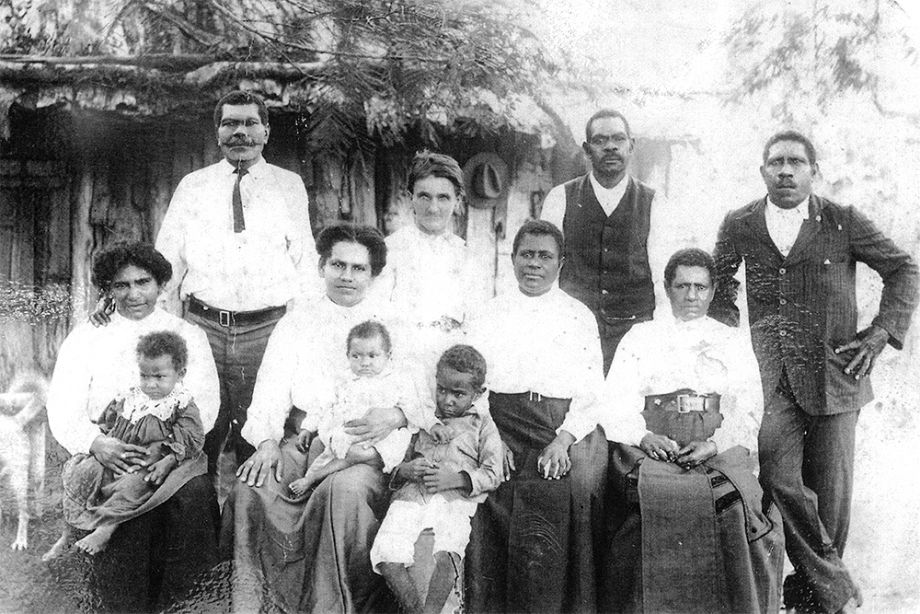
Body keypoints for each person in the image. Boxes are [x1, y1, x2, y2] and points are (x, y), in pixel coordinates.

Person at [709, 130, 919, 614]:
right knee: (779, 479)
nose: (786, 170)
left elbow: (904, 269)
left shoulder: (842, 221)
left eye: (796, 162)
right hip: (771, 379)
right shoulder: (740, 222)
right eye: (776, 162)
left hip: (836, 374)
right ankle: (837, 587)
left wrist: (881, 333)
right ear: (762, 171)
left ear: (813, 171)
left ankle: (813, 599)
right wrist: (725, 352)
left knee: (832, 499)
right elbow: (719, 288)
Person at [222, 223, 424, 613]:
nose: (347, 276)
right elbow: (270, 388)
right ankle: (253, 606)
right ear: (321, 267)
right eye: (338, 264)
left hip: (364, 445)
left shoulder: (393, 324)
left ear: (374, 274)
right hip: (303, 438)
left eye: (359, 268)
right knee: (251, 489)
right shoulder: (297, 321)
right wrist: (266, 442)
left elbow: (420, 397)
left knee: (341, 493)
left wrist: (396, 415)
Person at [601, 248, 784, 614]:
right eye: (682, 286)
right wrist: (644, 437)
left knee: (731, 503)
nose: (691, 296)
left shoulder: (730, 339)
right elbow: (615, 401)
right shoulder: (641, 336)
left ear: (713, 291)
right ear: (667, 289)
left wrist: (713, 446)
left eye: (700, 287)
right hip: (655, 443)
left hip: (714, 443)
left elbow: (748, 405)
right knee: (650, 501)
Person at [45, 242, 220, 612]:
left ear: (161, 286)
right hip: (111, 447)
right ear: (108, 289)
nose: (134, 294)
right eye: (122, 285)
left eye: (143, 282)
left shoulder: (188, 335)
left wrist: (167, 452)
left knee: (191, 499)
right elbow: (63, 405)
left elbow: (205, 405)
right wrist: (96, 443)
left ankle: (184, 603)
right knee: (122, 502)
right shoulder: (87, 336)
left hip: (171, 451)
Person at [155, 90, 316, 477]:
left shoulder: (288, 186)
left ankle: (243, 535)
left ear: (266, 131)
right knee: (197, 437)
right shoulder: (193, 186)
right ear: (217, 132)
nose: (239, 132)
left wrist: (305, 330)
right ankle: (201, 535)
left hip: (265, 333)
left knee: (259, 441)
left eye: (249, 123)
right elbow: (166, 262)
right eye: (230, 123)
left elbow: (305, 262)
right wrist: (166, 326)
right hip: (202, 330)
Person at [465, 219, 607, 613]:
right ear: (512, 259)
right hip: (500, 421)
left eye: (545, 256)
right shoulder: (488, 314)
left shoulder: (578, 317)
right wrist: (491, 437)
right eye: (526, 254)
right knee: (492, 490)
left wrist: (563, 440)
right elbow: (473, 386)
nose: (534, 264)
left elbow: (592, 392)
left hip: (557, 424)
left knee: (562, 490)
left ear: (561, 263)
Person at [540, 109, 681, 374]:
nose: (611, 147)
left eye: (618, 139)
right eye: (600, 140)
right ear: (587, 149)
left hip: (634, 332)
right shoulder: (560, 198)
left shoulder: (654, 202)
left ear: (631, 146)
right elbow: (546, 267)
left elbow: (662, 274)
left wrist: (662, 332)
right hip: (574, 331)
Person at [44, 331, 205, 559]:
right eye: (144, 376)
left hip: (151, 462)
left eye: (159, 377)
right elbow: (108, 421)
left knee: (133, 485)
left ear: (180, 374)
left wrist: (168, 460)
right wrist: (104, 445)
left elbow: (192, 437)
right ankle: (68, 533)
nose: (150, 384)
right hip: (119, 454)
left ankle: (106, 529)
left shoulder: (180, 403)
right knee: (82, 472)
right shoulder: (130, 397)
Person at [371, 344, 504, 614]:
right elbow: (396, 462)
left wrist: (456, 479)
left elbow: (494, 473)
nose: (447, 400)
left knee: (447, 550)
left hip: (453, 499)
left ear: (478, 394)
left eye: (458, 394)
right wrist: (407, 470)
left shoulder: (483, 424)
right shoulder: (423, 417)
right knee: (386, 553)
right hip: (411, 495)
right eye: (442, 390)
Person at [374, 151, 480, 376]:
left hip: (452, 366)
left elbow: (475, 321)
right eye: (424, 196)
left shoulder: (466, 255)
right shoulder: (391, 250)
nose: (433, 208)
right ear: (410, 197)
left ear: (457, 200)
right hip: (403, 363)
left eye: (443, 197)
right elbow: (377, 315)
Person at [288, 320, 416, 498]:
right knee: (323, 448)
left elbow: (412, 408)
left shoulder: (395, 381)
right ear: (347, 355)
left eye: (372, 356)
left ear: (388, 355)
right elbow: (324, 403)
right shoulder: (344, 379)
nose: (364, 363)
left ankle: (313, 478)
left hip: (381, 438)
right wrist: (307, 427)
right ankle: (311, 484)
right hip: (348, 434)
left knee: (356, 454)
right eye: (356, 356)